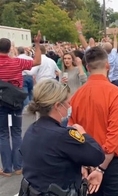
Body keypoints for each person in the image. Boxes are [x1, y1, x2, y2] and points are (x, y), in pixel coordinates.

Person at [19, 79, 105, 196]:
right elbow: (97, 156)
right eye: (67, 103)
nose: (69, 106)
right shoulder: (63, 136)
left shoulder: (32, 130)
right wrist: (83, 133)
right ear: (58, 106)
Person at [69, 46, 118, 196]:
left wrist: (82, 163)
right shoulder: (116, 94)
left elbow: (71, 131)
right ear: (107, 65)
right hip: (112, 165)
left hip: (88, 161)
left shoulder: (77, 96)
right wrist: (101, 168)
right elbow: (114, 135)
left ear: (87, 67)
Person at [0, 31, 42, 177]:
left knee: (3, 134)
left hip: (0, 102)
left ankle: (7, 168)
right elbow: (37, 61)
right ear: (10, 49)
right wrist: (37, 43)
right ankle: (18, 166)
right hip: (15, 102)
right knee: (16, 132)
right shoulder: (17, 62)